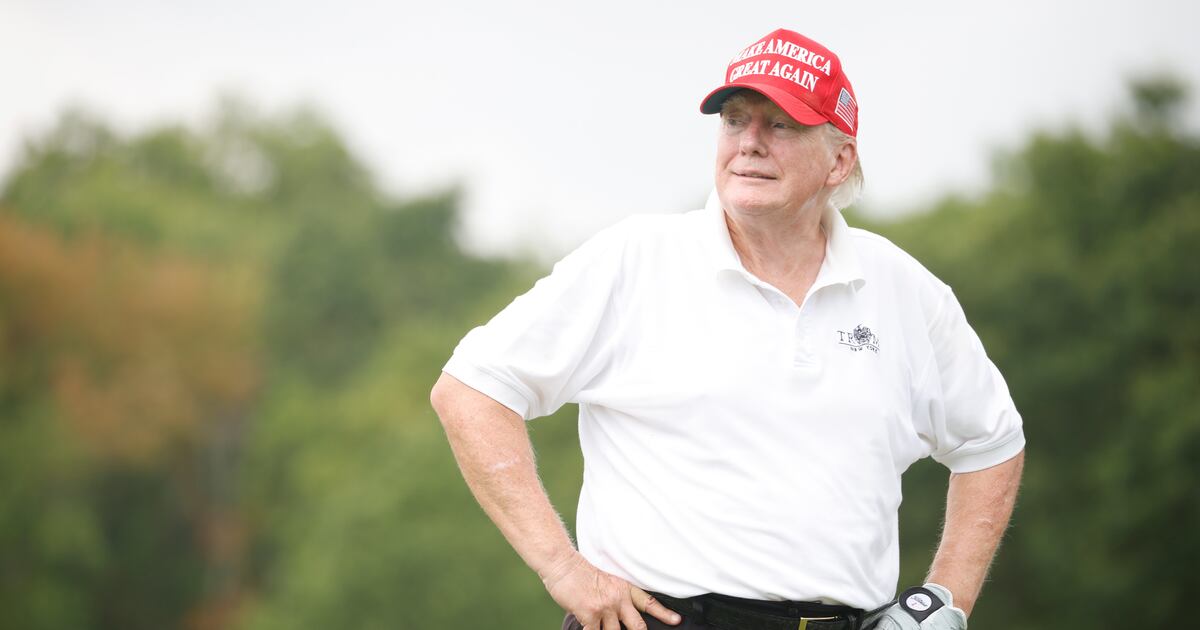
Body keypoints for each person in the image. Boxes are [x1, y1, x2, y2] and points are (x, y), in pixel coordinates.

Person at [431, 28, 1025, 630]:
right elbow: (471, 390)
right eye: (735, 120)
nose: (750, 144)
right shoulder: (638, 258)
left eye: (781, 125)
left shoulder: (904, 289)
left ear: (840, 160)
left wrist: (942, 602)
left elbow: (992, 443)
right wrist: (563, 569)